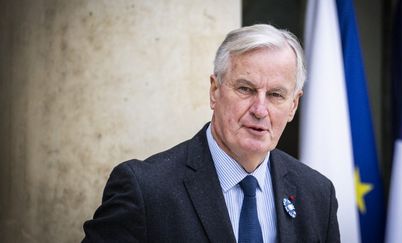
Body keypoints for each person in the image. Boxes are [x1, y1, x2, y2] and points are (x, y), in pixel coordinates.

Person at [82, 24, 340, 243]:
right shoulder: (145, 189)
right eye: (245, 89)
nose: (260, 110)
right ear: (215, 91)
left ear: (293, 105)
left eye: (275, 95)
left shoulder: (317, 195)